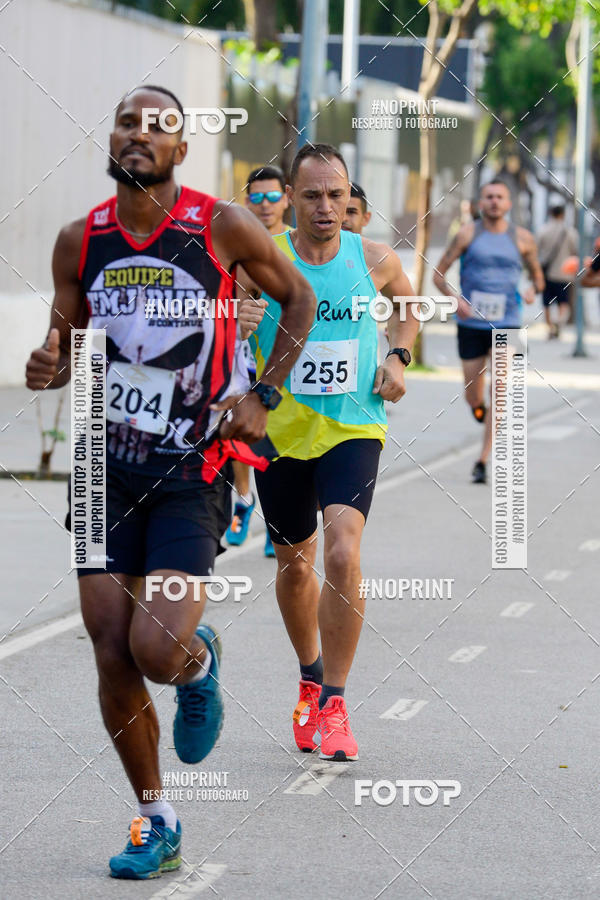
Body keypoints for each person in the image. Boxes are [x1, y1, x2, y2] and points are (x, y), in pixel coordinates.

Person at [25, 85, 315, 880]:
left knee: (156, 649)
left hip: (193, 464)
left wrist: (264, 393)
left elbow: (300, 297)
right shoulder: (78, 240)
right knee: (110, 649)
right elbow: (67, 346)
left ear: (182, 151)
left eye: (159, 126)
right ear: (110, 137)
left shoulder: (218, 225)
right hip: (101, 470)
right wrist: (46, 367)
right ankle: (158, 820)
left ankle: (196, 663)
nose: (139, 134)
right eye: (126, 121)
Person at [239, 143, 418, 762]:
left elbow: (409, 306)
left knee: (343, 551)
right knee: (295, 566)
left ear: (350, 200)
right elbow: (229, 320)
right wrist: (238, 315)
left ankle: (337, 704)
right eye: (311, 195)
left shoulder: (373, 257)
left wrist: (398, 356)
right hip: (282, 434)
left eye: (335, 196)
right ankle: (310, 677)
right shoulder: (265, 259)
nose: (324, 207)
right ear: (290, 198)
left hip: (353, 427)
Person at [433, 180, 544, 483]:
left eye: (500, 196)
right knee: (472, 394)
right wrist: (454, 298)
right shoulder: (468, 234)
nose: (494, 202)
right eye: (489, 197)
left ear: (508, 204)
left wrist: (533, 290)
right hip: (471, 324)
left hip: (508, 322)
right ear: (481, 203)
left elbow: (538, 277)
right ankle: (477, 407)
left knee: (500, 389)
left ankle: (483, 459)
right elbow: (438, 274)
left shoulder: (522, 238)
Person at [226, 165, 290, 558]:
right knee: (243, 433)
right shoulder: (239, 247)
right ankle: (243, 500)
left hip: (287, 359)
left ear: (286, 198)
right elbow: (229, 304)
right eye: (256, 198)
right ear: (246, 200)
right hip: (246, 355)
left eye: (272, 197)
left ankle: (277, 517)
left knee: (281, 441)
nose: (265, 206)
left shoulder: (299, 245)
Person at [537, 203, 578, 339]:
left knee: (546, 303)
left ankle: (550, 327)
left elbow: (536, 251)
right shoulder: (570, 232)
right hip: (564, 274)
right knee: (563, 302)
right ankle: (558, 324)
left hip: (546, 273)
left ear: (551, 214)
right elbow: (575, 251)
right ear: (563, 215)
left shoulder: (543, 230)